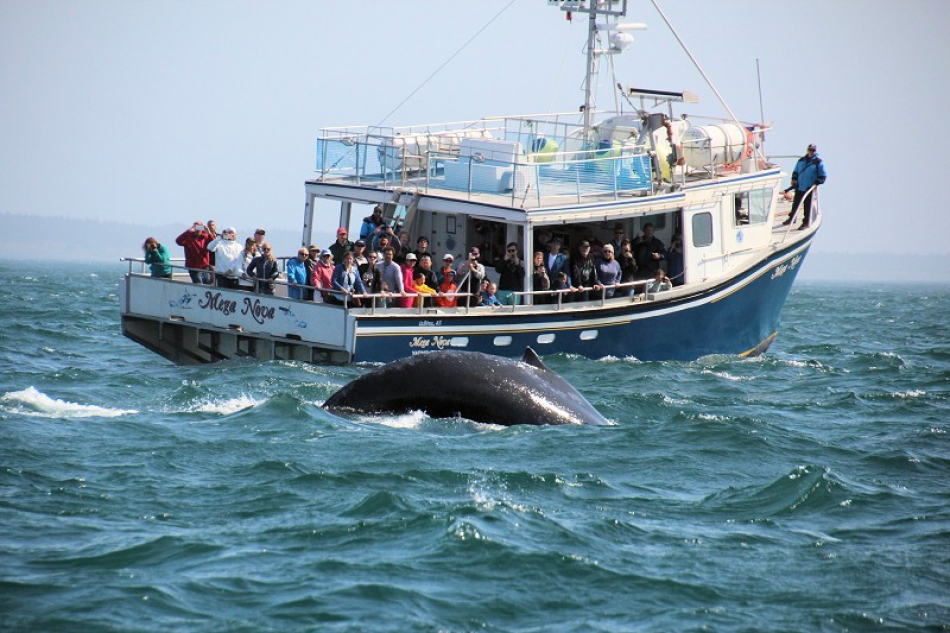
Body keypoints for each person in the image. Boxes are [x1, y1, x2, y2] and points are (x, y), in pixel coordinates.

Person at [782, 143, 827, 230]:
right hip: (799, 186)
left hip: (809, 188)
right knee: (796, 203)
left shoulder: (818, 162)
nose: (811, 152)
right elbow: (796, 171)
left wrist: (816, 183)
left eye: (813, 150)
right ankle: (792, 218)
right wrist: (794, 179)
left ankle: (805, 222)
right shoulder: (801, 161)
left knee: (807, 206)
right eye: (810, 150)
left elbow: (822, 176)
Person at [495, 241, 525, 305]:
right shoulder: (503, 261)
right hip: (503, 290)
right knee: (501, 310)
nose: (511, 253)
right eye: (509, 251)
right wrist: (504, 260)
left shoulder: (520, 262)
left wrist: (517, 265)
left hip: (514, 290)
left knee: (513, 310)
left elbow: (522, 275)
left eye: (513, 250)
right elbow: (498, 270)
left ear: (516, 251)